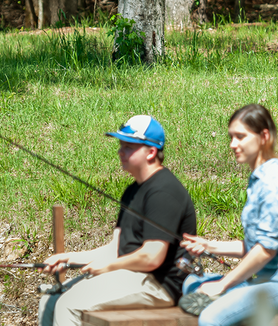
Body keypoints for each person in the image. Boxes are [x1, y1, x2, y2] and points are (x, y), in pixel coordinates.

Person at [38, 115, 197, 326]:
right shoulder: (132, 191)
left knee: (69, 304)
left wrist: (108, 266)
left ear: (151, 152)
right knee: (50, 298)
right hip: (132, 275)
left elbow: (152, 258)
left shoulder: (164, 191)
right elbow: (115, 249)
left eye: (129, 146)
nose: (120, 151)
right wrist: (67, 258)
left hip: (159, 284)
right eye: (121, 145)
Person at [178, 104, 278, 325]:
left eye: (240, 137)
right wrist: (208, 245)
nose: (233, 144)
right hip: (264, 279)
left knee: (211, 317)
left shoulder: (273, 182)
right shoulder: (259, 179)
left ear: (264, 136)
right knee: (192, 283)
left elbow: (265, 251)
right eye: (231, 137)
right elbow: (254, 246)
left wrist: (223, 285)